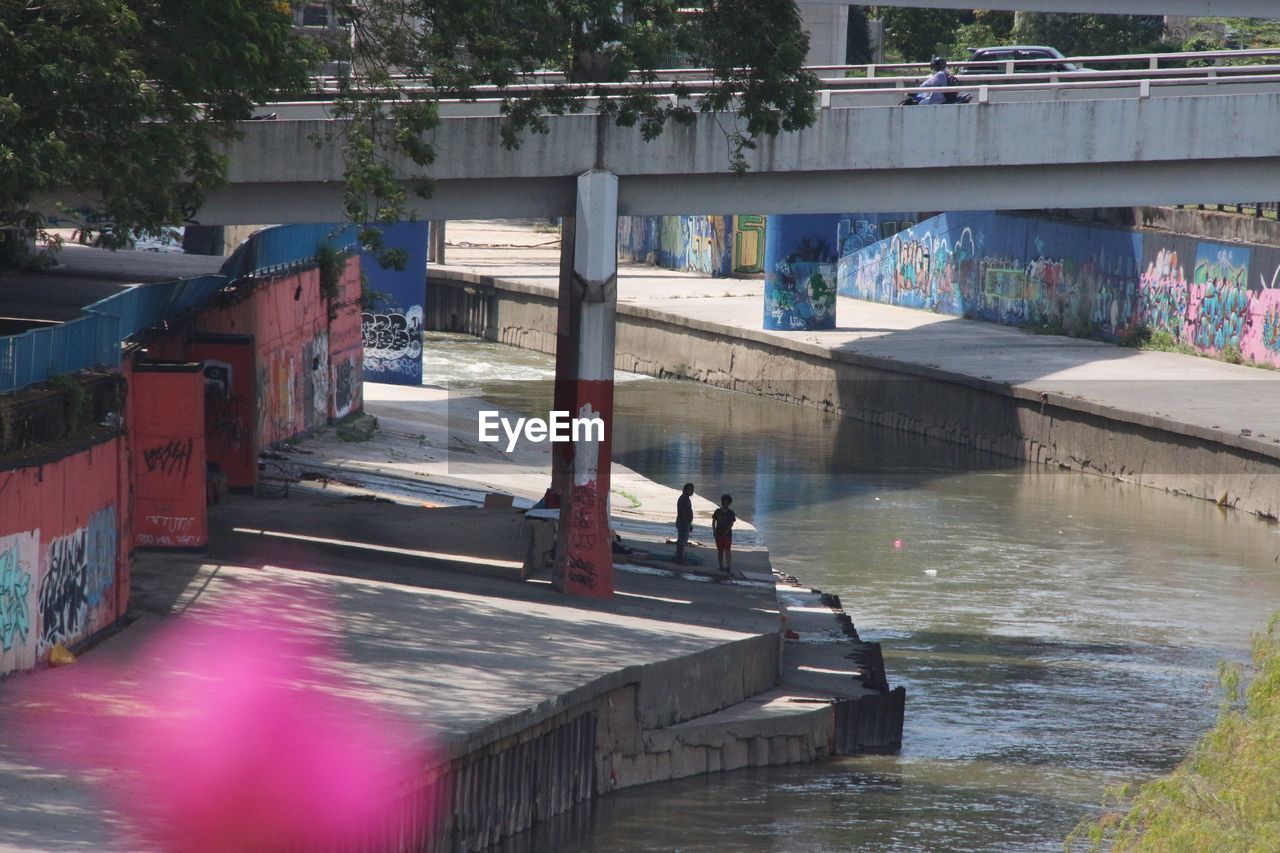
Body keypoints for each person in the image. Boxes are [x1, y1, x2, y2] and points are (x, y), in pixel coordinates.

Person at [712, 494, 736, 574]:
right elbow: (714, 521)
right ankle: (721, 566)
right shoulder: (717, 511)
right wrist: (714, 530)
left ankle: (728, 567)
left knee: (727, 550)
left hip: (727, 534)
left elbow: (731, 523)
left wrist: (727, 531)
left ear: (729, 503)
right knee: (720, 550)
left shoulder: (731, 513)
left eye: (726, 501)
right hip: (718, 533)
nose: (724, 503)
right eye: (723, 501)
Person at [675, 483, 694, 563]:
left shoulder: (686, 498)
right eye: (689, 489)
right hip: (683, 522)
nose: (691, 491)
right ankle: (679, 559)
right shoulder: (683, 499)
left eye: (692, 489)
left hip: (684, 522)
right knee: (681, 542)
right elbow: (682, 512)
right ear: (685, 490)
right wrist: (686, 524)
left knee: (682, 541)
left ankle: (679, 557)